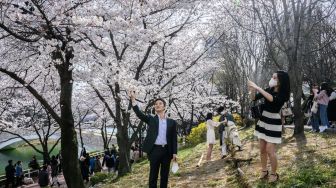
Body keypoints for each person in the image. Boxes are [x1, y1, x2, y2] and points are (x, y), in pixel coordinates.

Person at [248, 70, 290, 183]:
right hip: (264, 120)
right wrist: (252, 90)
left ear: (281, 81)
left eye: (275, 78)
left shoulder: (283, 94)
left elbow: (272, 99)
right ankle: (264, 170)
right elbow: (253, 98)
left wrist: (258, 87)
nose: (272, 79)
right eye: (272, 77)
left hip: (274, 122)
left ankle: (274, 173)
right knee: (262, 148)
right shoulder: (269, 89)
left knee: (270, 149)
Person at [129, 90, 178, 188]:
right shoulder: (151, 119)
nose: (157, 105)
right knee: (153, 176)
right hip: (154, 150)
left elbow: (174, 139)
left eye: (160, 103)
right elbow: (139, 114)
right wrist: (133, 100)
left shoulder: (172, 122)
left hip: (167, 151)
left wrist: (174, 153)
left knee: (165, 176)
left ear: (164, 106)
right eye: (156, 104)